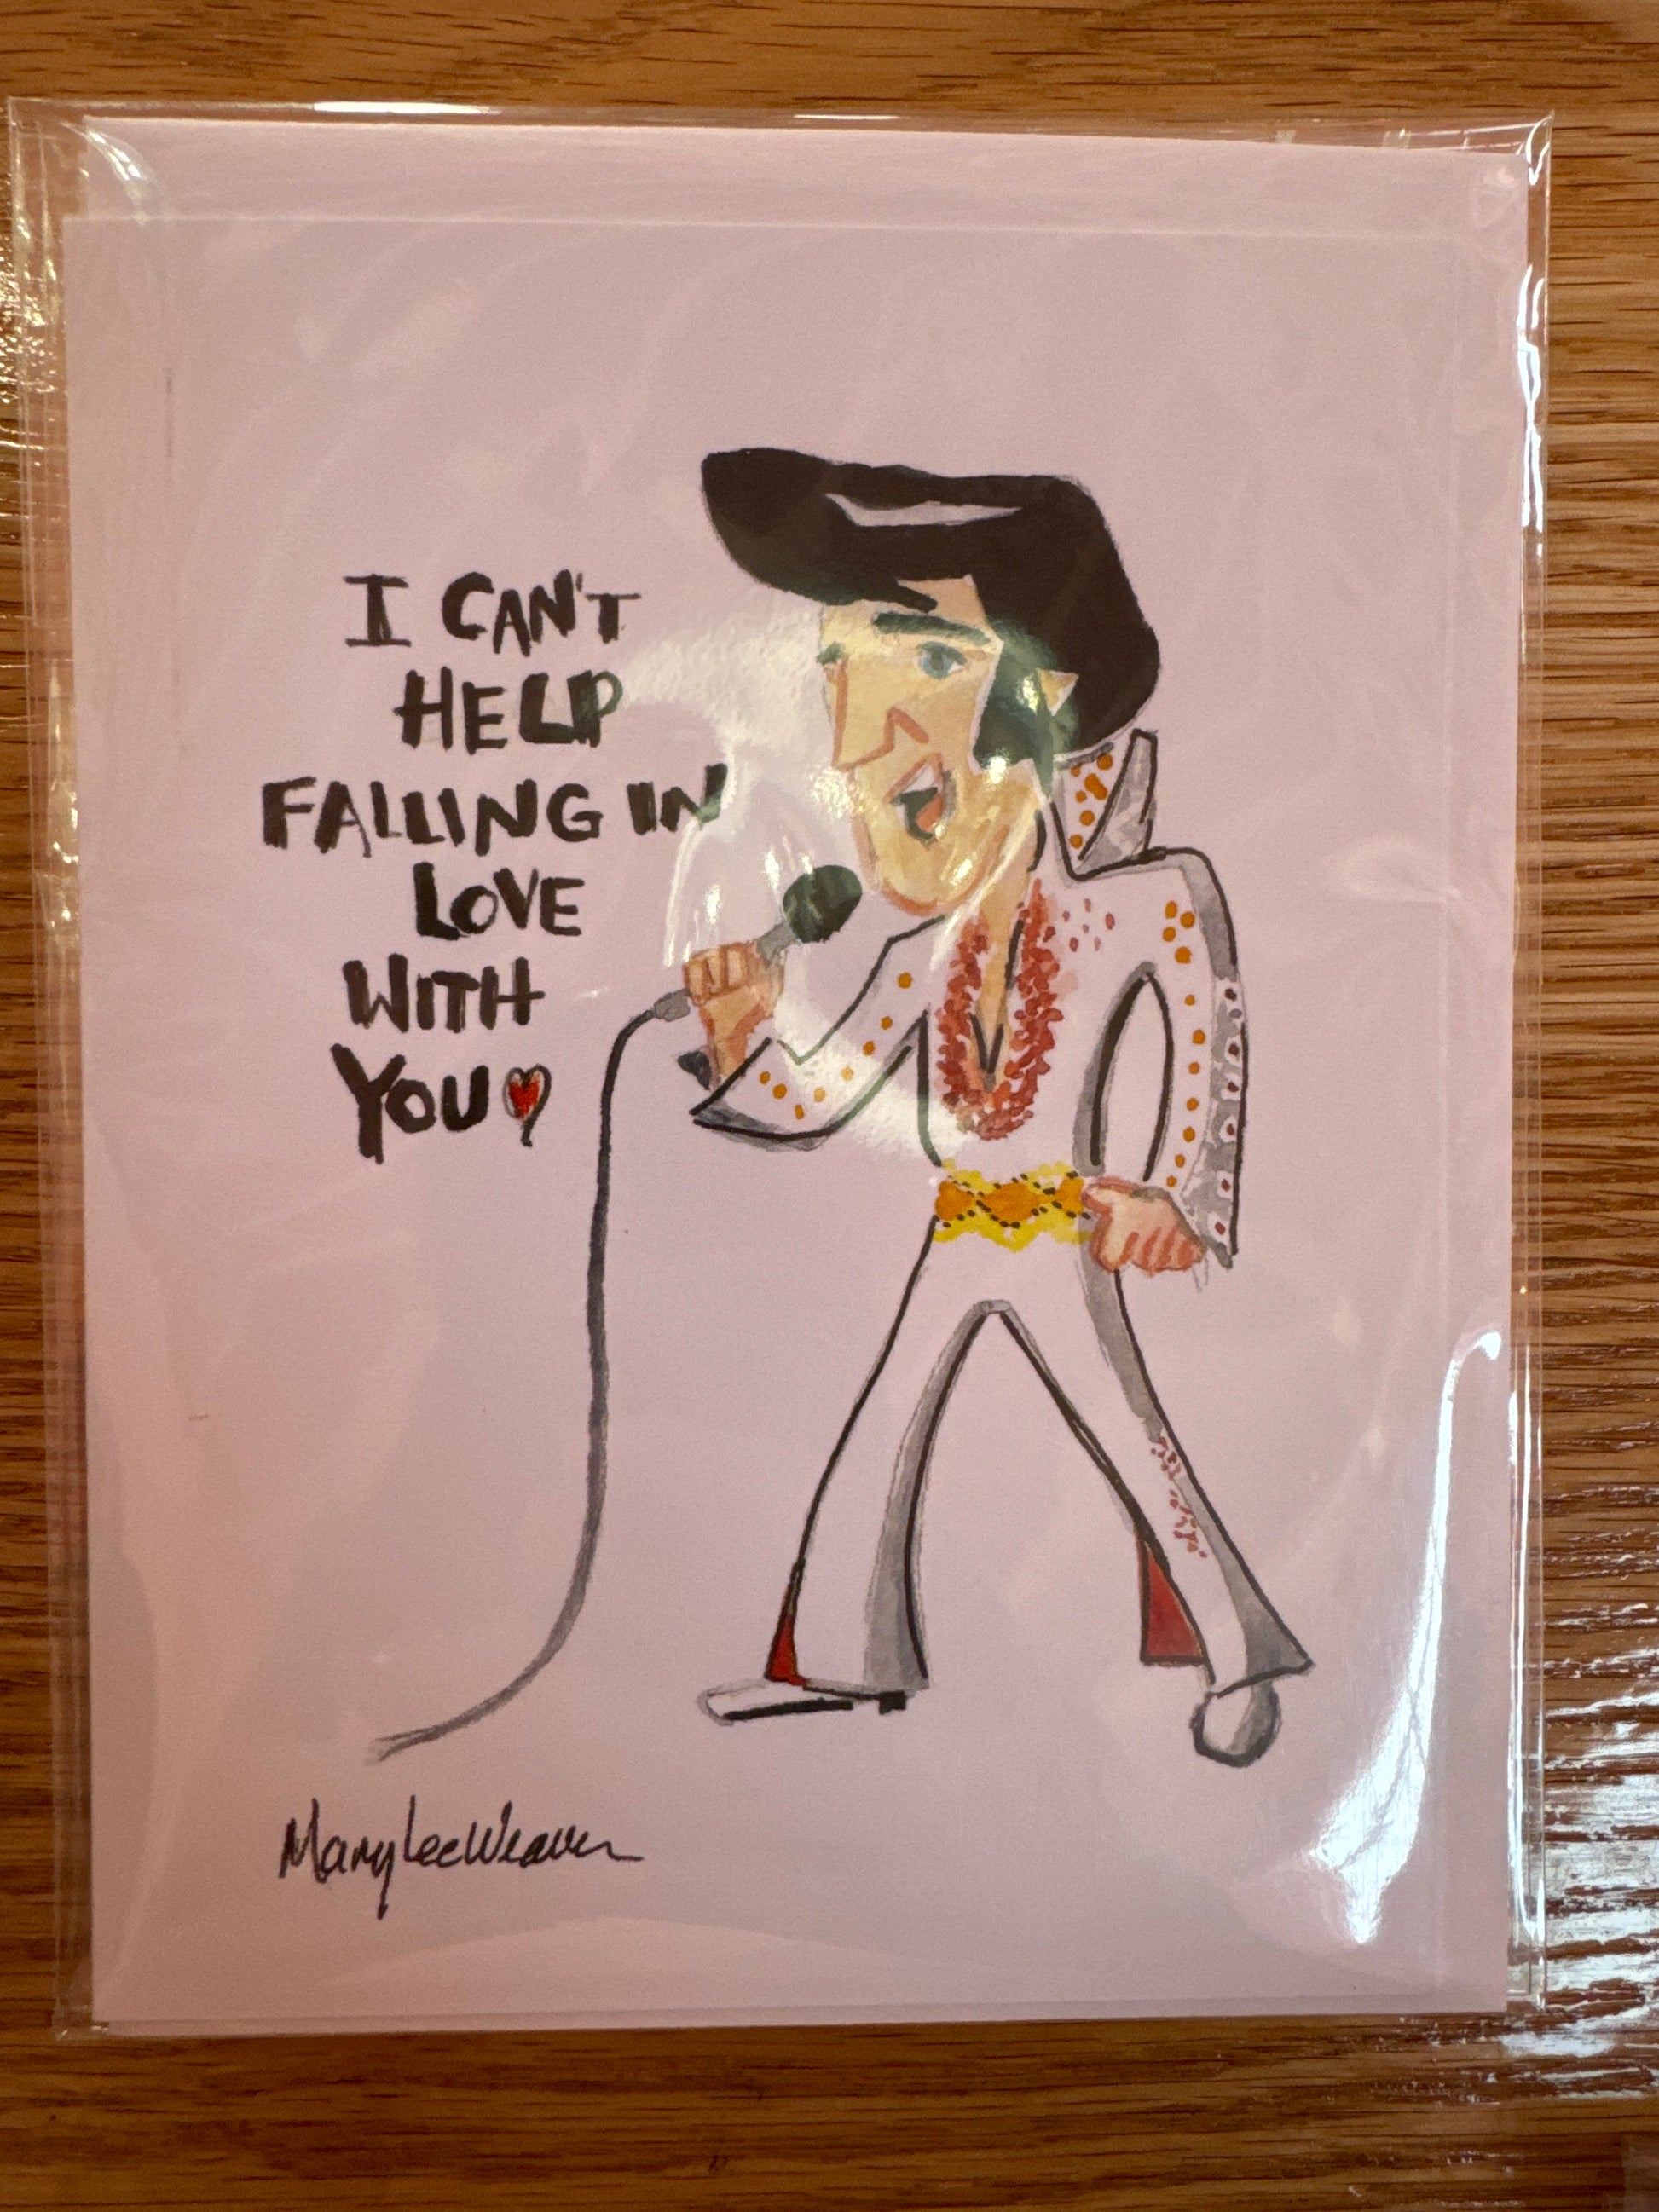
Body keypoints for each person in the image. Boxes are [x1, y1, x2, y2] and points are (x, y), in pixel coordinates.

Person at [680, 448, 1309, 1766]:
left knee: (1133, 1436)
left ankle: (1240, 1657)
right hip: (964, 1219)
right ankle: (842, 1658)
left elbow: (1208, 1043)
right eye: (841, 674)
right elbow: (824, 1091)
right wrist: (744, 1031)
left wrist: (1173, 1193)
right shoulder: (923, 944)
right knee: (881, 1428)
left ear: (1040, 699)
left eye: (919, 662)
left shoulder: (1148, 897)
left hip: (1067, 1218)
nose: (857, 737)